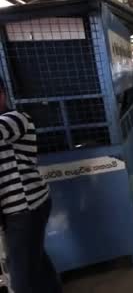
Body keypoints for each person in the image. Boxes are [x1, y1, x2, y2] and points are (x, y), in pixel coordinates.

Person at [0, 80, 62, 293]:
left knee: (21, 277)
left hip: (25, 206)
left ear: (2, 95)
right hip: (16, 209)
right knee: (35, 260)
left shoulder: (16, 119)